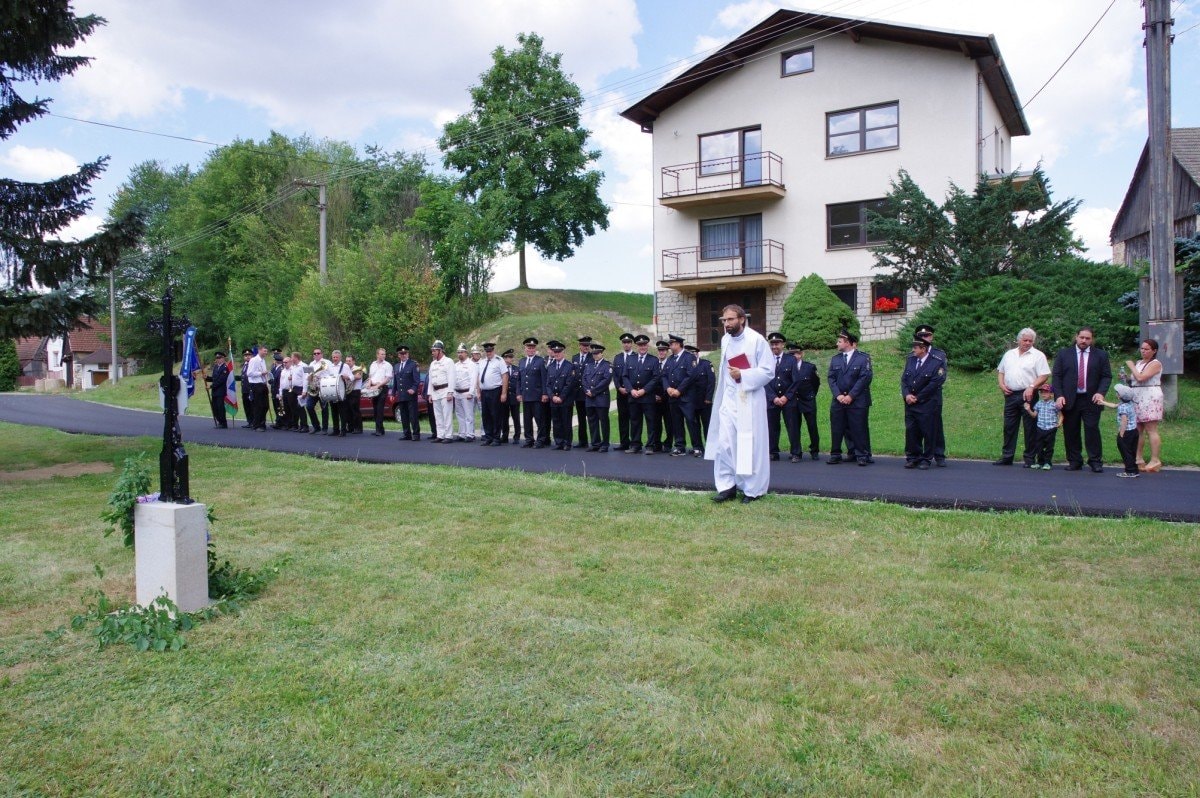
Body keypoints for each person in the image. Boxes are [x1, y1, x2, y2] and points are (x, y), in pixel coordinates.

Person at [705, 304, 773, 503]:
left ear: (742, 319)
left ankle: (752, 490)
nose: (726, 324)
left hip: (749, 399)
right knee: (724, 443)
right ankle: (727, 486)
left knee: (748, 445)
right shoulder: (725, 340)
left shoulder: (757, 340)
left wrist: (743, 374)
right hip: (729, 398)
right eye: (724, 320)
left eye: (730, 319)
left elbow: (768, 371)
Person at [1052, 326, 1112, 472]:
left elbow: (1106, 376)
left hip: (1091, 399)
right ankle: (1075, 461)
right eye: (1081, 337)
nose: (1084, 341)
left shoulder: (1101, 355)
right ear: (1076, 337)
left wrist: (1101, 392)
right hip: (1069, 399)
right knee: (1070, 431)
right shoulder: (1064, 354)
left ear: (1092, 340)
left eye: (1087, 338)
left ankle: (1095, 461)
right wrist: (1059, 395)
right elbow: (1057, 376)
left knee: (1092, 430)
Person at [995, 327, 1051, 466]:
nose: (1027, 343)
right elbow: (1001, 371)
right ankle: (1007, 456)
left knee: (1030, 427)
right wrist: (1001, 385)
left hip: (1028, 395)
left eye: (1030, 341)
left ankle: (1029, 458)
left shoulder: (1038, 355)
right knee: (1009, 427)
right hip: (1010, 394)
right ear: (1018, 340)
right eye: (1025, 340)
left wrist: (1032, 387)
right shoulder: (1009, 354)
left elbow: (1044, 375)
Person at [827, 329, 873, 465]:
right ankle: (836, 454)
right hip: (839, 400)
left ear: (847, 343)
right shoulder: (835, 359)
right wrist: (838, 395)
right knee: (837, 428)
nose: (837, 344)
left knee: (858, 428)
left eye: (839, 341)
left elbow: (865, 378)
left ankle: (862, 455)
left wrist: (851, 396)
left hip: (857, 400)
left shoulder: (863, 358)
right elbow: (831, 378)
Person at [901, 336, 947, 470]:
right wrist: (907, 394)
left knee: (928, 432)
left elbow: (934, 384)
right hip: (910, 403)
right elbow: (904, 380)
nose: (913, 350)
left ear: (923, 349)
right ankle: (912, 457)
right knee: (911, 431)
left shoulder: (936, 362)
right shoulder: (910, 360)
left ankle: (926, 459)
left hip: (926, 403)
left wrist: (918, 397)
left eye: (915, 348)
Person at [1126, 338, 1164, 472]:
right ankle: (1138, 457)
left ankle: (1155, 459)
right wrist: (1126, 377)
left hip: (1150, 395)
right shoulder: (1139, 363)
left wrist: (1131, 366)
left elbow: (1141, 377)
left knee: (1151, 428)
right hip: (1137, 395)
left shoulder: (1155, 363)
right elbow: (1135, 379)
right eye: (1142, 348)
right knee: (1137, 428)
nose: (1143, 351)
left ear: (1154, 351)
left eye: (1147, 349)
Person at [914, 325, 947, 466]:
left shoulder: (939, 355)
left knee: (936, 425)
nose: (923, 338)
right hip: (916, 397)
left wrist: (923, 393)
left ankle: (939, 455)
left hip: (933, 396)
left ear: (931, 337)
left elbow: (940, 377)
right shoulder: (913, 354)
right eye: (920, 336)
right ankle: (918, 455)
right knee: (916, 428)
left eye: (926, 335)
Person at [663, 334, 701, 457]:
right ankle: (680, 446)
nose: (670, 346)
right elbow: (663, 375)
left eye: (672, 344)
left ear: (679, 344)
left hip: (686, 397)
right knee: (676, 422)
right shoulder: (670, 359)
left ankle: (697, 447)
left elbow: (691, 375)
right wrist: (668, 388)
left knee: (691, 421)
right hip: (673, 396)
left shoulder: (689, 357)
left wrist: (679, 390)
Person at [623, 334, 661, 455]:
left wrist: (644, 390)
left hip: (647, 397)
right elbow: (625, 376)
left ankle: (650, 446)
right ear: (636, 346)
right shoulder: (630, 359)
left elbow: (656, 378)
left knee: (651, 421)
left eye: (644, 345)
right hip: (633, 396)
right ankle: (635, 445)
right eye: (640, 345)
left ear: (647, 346)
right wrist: (631, 390)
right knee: (635, 421)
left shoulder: (653, 360)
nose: (642, 347)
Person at [765, 332, 799, 463]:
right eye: (772, 344)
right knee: (772, 427)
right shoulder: (766, 359)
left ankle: (795, 452)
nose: (774, 346)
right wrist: (773, 397)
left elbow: (796, 380)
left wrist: (786, 397)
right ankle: (773, 452)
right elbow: (764, 380)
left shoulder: (791, 359)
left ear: (783, 345)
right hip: (772, 399)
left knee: (792, 426)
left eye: (777, 344)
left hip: (788, 400)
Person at [1097, 383, 1140, 478]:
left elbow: (1124, 420)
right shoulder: (1129, 403)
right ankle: (1134, 470)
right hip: (1134, 431)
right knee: (1132, 451)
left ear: (1120, 396)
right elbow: (1114, 405)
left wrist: (1121, 433)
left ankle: (1129, 471)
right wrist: (1103, 402)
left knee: (1126, 452)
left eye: (1117, 392)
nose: (1116, 393)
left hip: (1126, 432)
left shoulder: (1123, 407)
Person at [787, 341, 821, 460]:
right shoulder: (787, 368)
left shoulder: (809, 367)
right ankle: (796, 452)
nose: (793, 356)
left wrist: (811, 395)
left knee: (812, 426)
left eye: (795, 354)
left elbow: (816, 383)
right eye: (791, 354)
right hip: (793, 401)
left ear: (801, 354)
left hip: (808, 400)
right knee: (794, 427)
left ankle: (814, 450)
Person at [545, 340, 577, 450]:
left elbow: (569, 384)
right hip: (554, 400)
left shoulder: (569, 366)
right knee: (556, 422)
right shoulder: (551, 366)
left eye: (559, 351)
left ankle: (567, 443)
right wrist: (552, 396)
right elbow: (548, 384)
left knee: (566, 422)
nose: (557, 354)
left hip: (565, 400)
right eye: (555, 352)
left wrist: (561, 397)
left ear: (563, 352)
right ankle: (559, 442)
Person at [517, 337, 549, 448]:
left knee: (539, 419)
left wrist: (545, 393)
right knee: (527, 420)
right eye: (529, 348)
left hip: (537, 396)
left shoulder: (540, 361)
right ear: (525, 348)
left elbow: (544, 379)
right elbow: (519, 379)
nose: (530, 350)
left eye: (532, 348)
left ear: (535, 349)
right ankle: (529, 439)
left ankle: (540, 440)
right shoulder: (522, 361)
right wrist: (518, 393)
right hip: (526, 396)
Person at [582, 341, 612, 451]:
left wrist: (593, 391)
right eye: (593, 354)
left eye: (597, 353)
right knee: (592, 421)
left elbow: (606, 380)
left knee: (603, 422)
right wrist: (587, 390)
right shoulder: (589, 365)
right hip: (589, 398)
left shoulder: (607, 365)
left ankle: (605, 444)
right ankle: (595, 443)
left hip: (601, 398)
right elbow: (584, 379)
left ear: (602, 353)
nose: (595, 355)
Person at [476, 342, 507, 446]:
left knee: (496, 415)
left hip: (495, 391)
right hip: (484, 391)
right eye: (487, 351)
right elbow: (479, 377)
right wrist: (478, 391)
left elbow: (505, 376)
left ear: (493, 350)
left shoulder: (499, 360)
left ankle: (496, 438)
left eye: (490, 351)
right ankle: (488, 437)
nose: (488, 353)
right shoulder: (482, 362)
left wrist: (504, 393)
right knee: (486, 415)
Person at [1024, 383, 1060, 469]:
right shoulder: (1039, 404)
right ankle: (1040, 462)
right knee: (1039, 446)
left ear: (1051, 394)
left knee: (1049, 447)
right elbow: (1034, 415)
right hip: (1040, 428)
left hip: (1051, 429)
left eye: (1046, 392)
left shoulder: (1054, 404)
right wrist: (1028, 409)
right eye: (1042, 392)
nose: (1043, 394)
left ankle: (1047, 463)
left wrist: (1059, 423)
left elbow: (1061, 415)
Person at [426, 341, 456, 443]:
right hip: (435, 391)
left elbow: (452, 377)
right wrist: (430, 393)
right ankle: (440, 435)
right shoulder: (433, 363)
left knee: (446, 415)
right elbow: (431, 379)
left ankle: (448, 435)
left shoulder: (448, 361)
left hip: (445, 390)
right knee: (438, 415)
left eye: (434, 351)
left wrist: (450, 392)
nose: (433, 353)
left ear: (440, 351)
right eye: (432, 351)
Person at [391, 346, 421, 441]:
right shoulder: (396, 366)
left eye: (405, 353)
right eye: (401, 354)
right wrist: (393, 393)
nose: (403, 355)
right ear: (398, 355)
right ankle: (406, 434)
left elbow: (417, 380)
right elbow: (395, 381)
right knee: (403, 415)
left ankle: (416, 434)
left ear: (408, 354)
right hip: (401, 394)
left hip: (410, 395)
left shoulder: (413, 365)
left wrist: (413, 389)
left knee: (413, 415)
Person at [612, 333, 635, 450]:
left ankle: (634, 443)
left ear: (632, 344)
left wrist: (630, 389)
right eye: (624, 343)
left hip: (633, 393)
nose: (626, 345)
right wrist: (619, 388)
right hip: (621, 393)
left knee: (634, 418)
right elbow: (615, 375)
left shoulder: (636, 357)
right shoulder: (618, 358)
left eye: (628, 342)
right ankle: (624, 442)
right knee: (622, 418)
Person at [689, 344, 714, 442]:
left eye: (694, 353)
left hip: (704, 401)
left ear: (697, 354)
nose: (692, 355)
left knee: (707, 425)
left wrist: (708, 398)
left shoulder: (706, 364)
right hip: (691, 402)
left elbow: (711, 382)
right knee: (694, 426)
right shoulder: (687, 366)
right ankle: (698, 447)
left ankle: (709, 446)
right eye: (690, 354)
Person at [366, 348, 393, 437]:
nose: (383, 356)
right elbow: (370, 376)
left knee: (379, 408)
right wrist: (369, 384)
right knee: (375, 408)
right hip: (373, 387)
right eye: (381, 354)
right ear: (377, 355)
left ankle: (379, 430)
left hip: (382, 387)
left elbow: (387, 378)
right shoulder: (373, 364)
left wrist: (378, 385)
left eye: (384, 354)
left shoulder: (387, 365)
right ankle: (380, 429)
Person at [324, 350, 352, 437]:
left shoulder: (345, 366)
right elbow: (327, 377)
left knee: (342, 412)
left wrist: (346, 377)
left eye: (336, 357)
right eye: (333, 357)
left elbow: (352, 376)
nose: (335, 359)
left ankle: (343, 431)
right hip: (332, 391)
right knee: (334, 411)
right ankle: (335, 430)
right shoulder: (330, 366)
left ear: (340, 358)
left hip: (341, 391)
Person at [571, 336, 592, 448]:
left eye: (588, 345)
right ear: (579, 346)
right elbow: (573, 375)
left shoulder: (592, 357)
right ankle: (582, 441)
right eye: (584, 345)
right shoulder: (574, 357)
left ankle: (594, 441)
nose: (586, 347)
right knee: (581, 418)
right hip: (578, 393)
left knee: (592, 418)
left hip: (588, 393)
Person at [305, 348, 331, 434]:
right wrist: (310, 377)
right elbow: (308, 377)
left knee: (324, 408)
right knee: (309, 406)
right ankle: (316, 427)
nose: (316, 354)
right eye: (314, 353)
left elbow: (331, 374)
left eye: (318, 353)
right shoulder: (311, 364)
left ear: (322, 354)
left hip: (323, 387)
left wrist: (320, 377)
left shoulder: (327, 362)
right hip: (313, 388)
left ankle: (325, 428)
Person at [245, 344, 270, 431]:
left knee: (265, 406)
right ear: (259, 350)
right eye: (264, 351)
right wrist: (261, 373)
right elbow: (249, 373)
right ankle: (257, 425)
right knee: (259, 406)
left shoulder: (263, 361)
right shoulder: (254, 360)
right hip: (256, 384)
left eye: (266, 351)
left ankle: (262, 423)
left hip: (263, 384)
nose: (266, 353)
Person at [501, 349, 522, 444]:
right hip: (504, 396)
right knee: (504, 417)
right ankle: (504, 436)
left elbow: (519, 382)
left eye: (511, 357)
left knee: (516, 417)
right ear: (504, 358)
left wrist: (519, 394)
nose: (511, 359)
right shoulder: (501, 369)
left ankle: (517, 436)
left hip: (514, 396)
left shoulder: (516, 369)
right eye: (509, 357)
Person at [206, 351, 230, 428]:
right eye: (216, 358)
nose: (218, 359)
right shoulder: (216, 367)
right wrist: (207, 378)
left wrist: (211, 386)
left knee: (220, 407)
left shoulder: (225, 368)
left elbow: (221, 380)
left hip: (220, 391)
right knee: (215, 407)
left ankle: (223, 423)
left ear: (223, 358)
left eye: (219, 358)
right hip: (215, 391)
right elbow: (214, 379)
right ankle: (219, 421)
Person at [287, 351, 308, 432]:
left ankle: (305, 426)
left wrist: (304, 391)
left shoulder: (304, 366)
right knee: (293, 406)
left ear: (296, 357)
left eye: (292, 357)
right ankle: (297, 425)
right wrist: (291, 378)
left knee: (300, 407)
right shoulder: (293, 367)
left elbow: (306, 379)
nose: (291, 359)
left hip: (300, 388)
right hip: (294, 388)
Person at [344, 355, 364, 434]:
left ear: (353, 361)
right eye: (346, 361)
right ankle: (350, 427)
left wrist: (348, 377)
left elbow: (358, 376)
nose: (348, 362)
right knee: (347, 410)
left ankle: (358, 428)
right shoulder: (345, 369)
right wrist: (351, 377)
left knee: (355, 409)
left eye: (349, 361)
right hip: (347, 391)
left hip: (355, 391)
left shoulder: (358, 368)